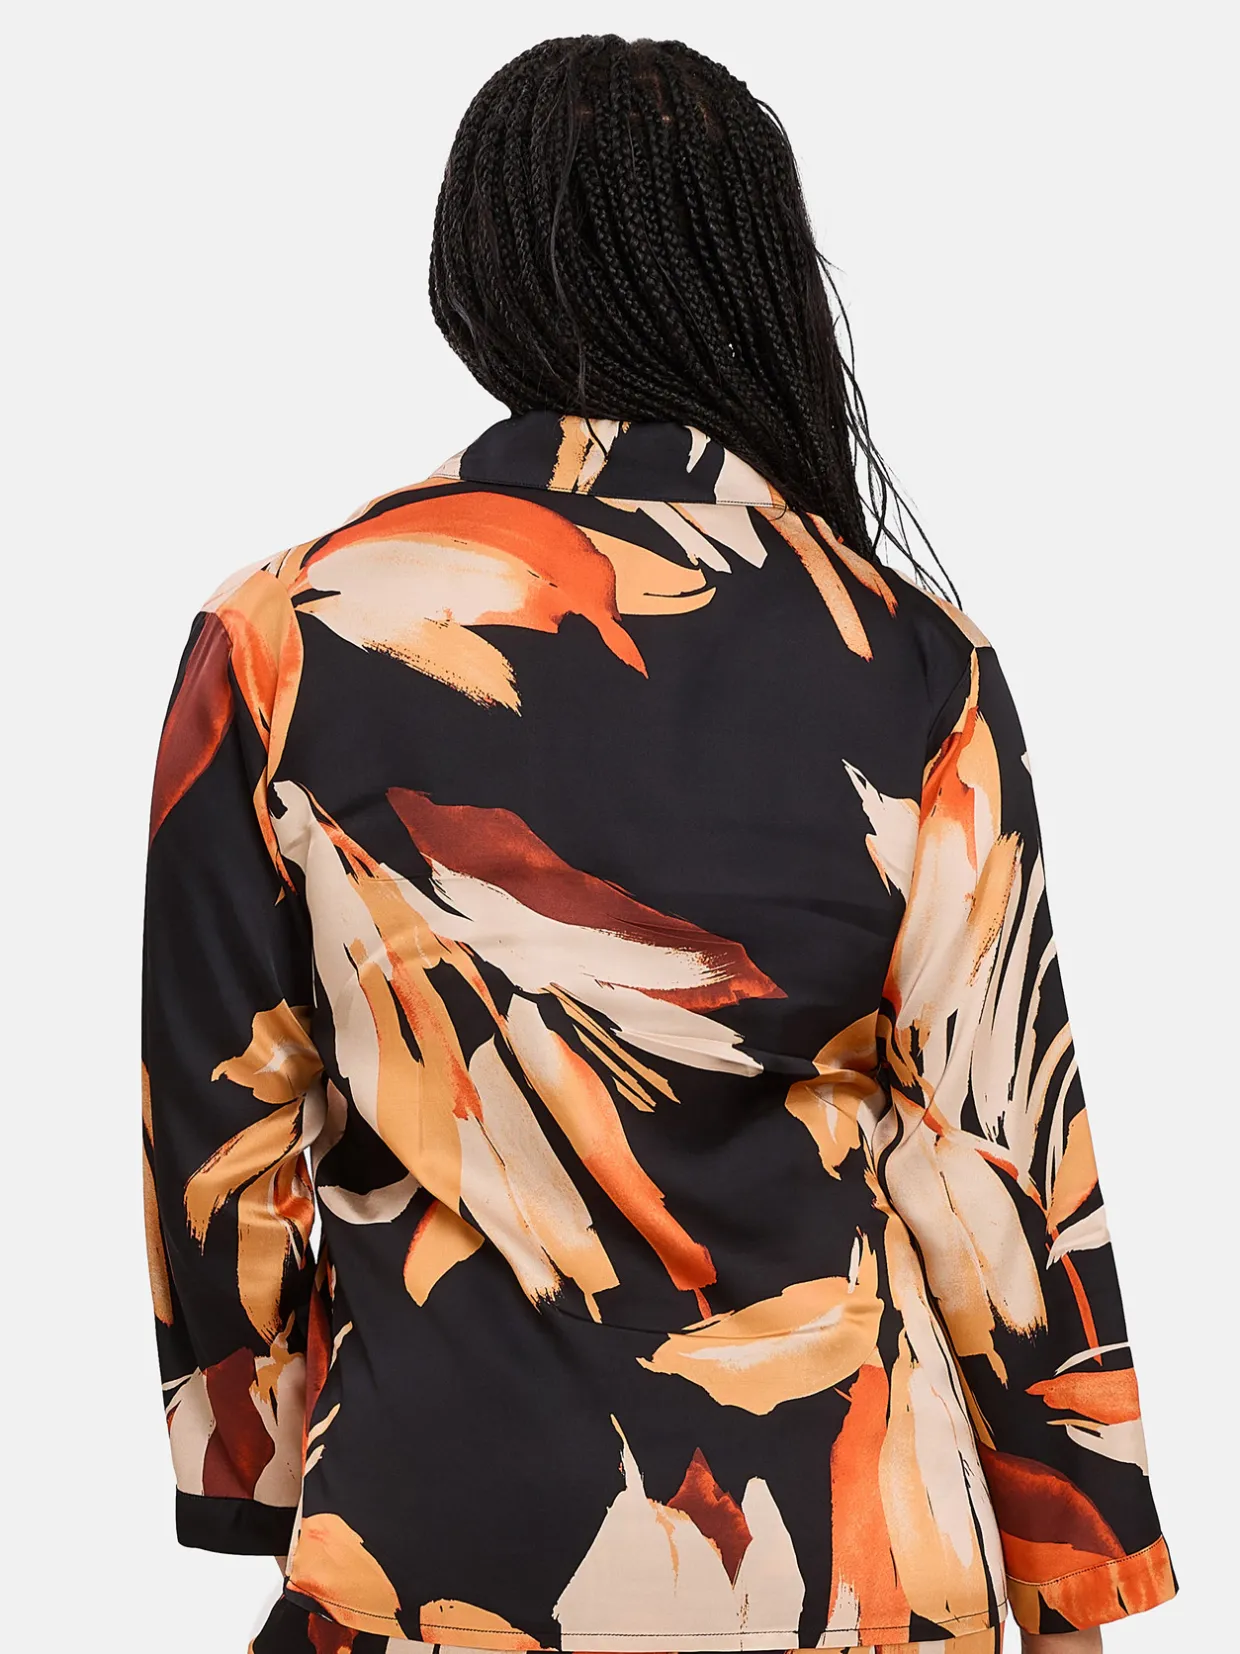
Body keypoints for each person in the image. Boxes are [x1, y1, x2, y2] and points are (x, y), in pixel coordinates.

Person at [140, 34, 1176, 1654]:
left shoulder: (281, 639)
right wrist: (1069, 1577)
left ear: (475, 273)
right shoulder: (914, 662)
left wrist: (261, 1462)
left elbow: (222, 1122)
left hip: (438, 1540)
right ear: (752, 272)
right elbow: (998, 1157)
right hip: (856, 1565)